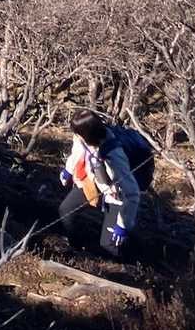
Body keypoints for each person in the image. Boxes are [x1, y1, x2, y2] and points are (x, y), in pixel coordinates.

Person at [58, 108, 143, 260]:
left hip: (117, 195)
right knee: (66, 210)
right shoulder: (83, 138)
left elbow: (132, 193)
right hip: (93, 181)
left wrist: (123, 226)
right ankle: (76, 249)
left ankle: (132, 266)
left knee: (109, 244)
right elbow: (78, 149)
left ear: (88, 134)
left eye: (78, 134)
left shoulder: (114, 154)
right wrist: (68, 170)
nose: (75, 137)